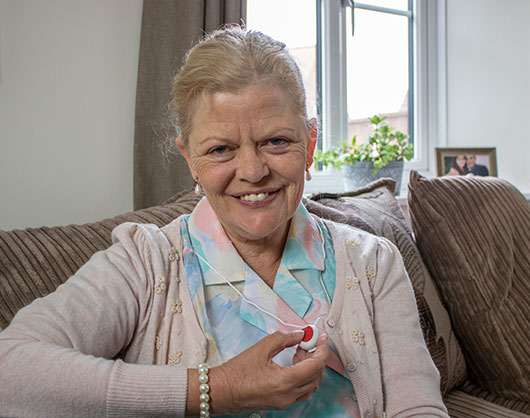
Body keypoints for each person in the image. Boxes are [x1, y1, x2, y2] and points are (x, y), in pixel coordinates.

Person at [0, 27, 448, 417]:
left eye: (276, 141)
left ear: (309, 145)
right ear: (189, 160)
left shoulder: (372, 262)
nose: (252, 171)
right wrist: (216, 389)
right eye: (220, 150)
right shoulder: (144, 263)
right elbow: (10, 371)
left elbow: (418, 407)